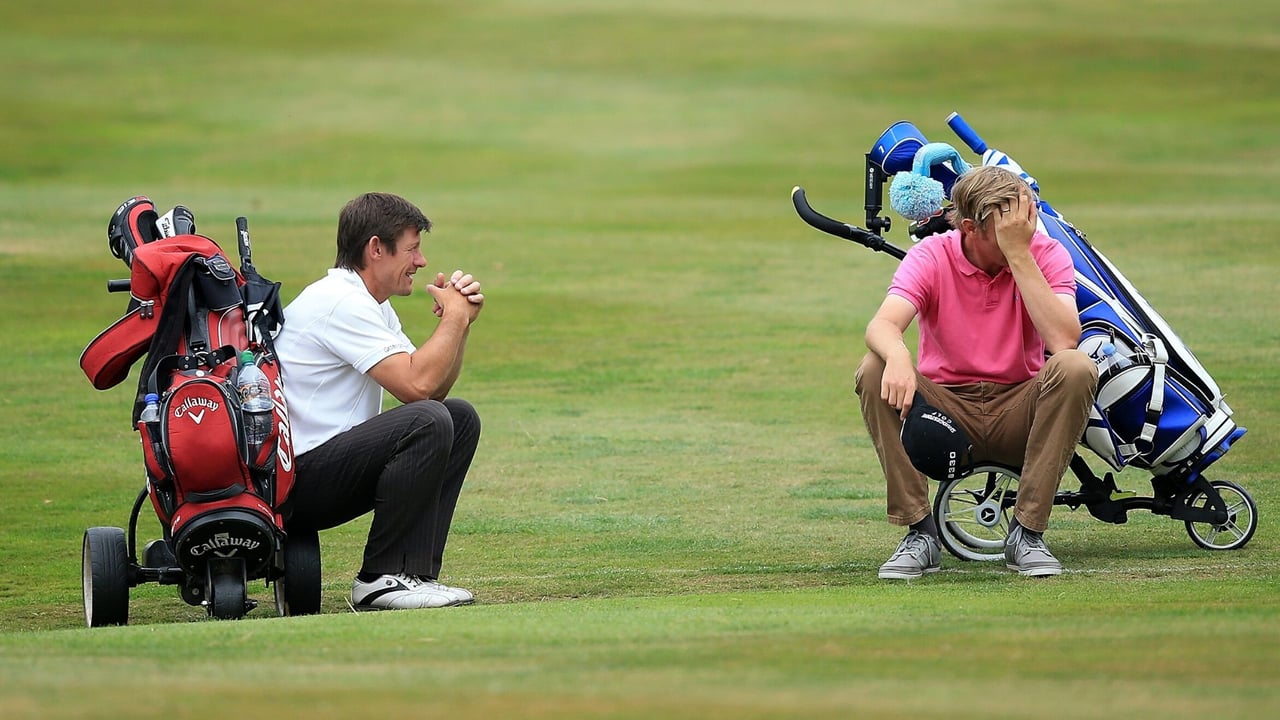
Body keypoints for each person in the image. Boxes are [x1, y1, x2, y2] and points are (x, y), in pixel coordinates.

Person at [854, 165, 1098, 579]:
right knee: (874, 366)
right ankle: (921, 534)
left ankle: (1027, 534)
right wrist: (898, 357)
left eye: (1026, 220)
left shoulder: (1045, 253)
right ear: (970, 227)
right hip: (945, 411)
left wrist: (1020, 255)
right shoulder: (931, 255)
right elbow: (881, 325)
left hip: (1019, 407)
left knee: (1075, 367)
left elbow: (1062, 341)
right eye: (1007, 227)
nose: (1022, 231)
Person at [276, 192, 485, 610]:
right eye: (412, 248)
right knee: (428, 419)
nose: (422, 261)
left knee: (456, 417)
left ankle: (413, 575)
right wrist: (457, 317)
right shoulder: (340, 302)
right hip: (296, 482)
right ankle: (380, 579)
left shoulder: (369, 303)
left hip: (323, 468)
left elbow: (434, 388)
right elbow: (417, 389)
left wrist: (457, 326)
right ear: (375, 249)